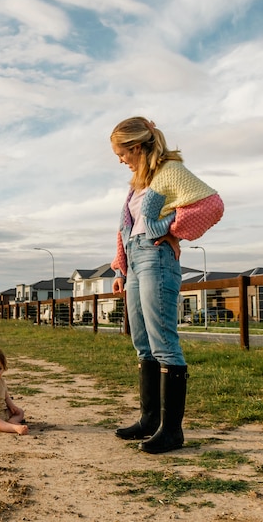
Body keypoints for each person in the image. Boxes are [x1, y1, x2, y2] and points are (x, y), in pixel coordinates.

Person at [109, 116, 224, 454]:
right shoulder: (137, 182)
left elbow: (212, 204)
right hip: (135, 260)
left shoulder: (169, 171)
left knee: (163, 343)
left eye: (121, 153)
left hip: (157, 259)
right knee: (142, 342)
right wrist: (119, 269)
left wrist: (171, 227)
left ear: (136, 146)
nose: (120, 160)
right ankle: (150, 421)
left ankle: (172, 432)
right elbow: (125, 228)